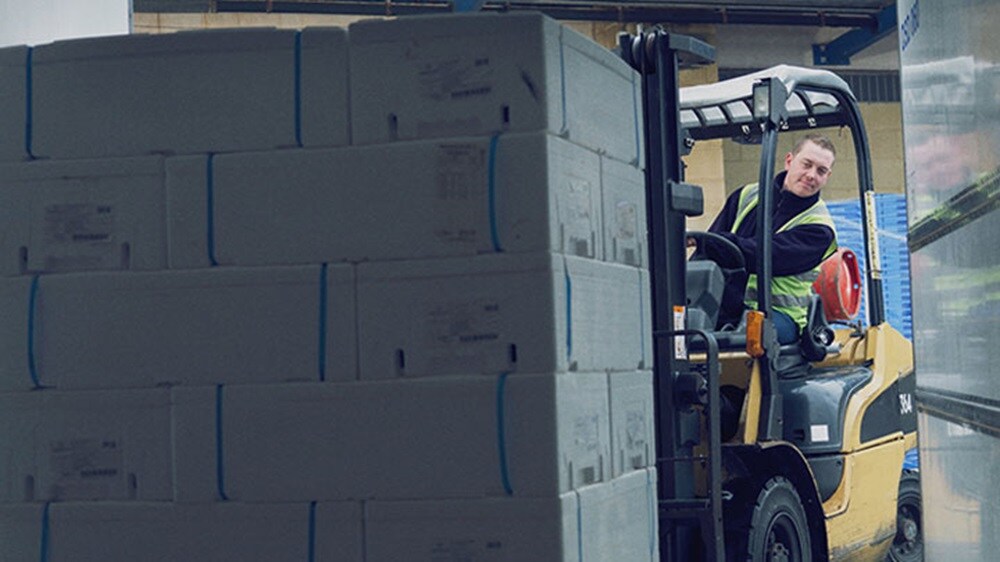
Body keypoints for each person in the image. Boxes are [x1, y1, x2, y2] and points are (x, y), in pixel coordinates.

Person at [696, 133, 838, 345]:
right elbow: (708, 250)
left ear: (827, 176)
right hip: (725, 307)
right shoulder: (746, 196)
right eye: (806, 164)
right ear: (789, 161)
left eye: (821, 171)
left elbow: (762, 256)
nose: (811, 175)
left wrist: (709, 242)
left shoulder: (819, 229)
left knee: (750, 335)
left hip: (778, 315)